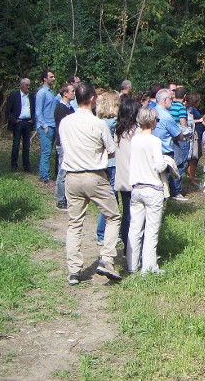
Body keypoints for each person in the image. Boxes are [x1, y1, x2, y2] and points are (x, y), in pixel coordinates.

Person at [60, 83, 123, 285]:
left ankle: (74, 270)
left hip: (71, 177)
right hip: (95, 175)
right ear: (93, 99)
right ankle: (106, 258)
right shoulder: (99, 124)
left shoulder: (65, 122)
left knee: (74, 223)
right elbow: (112, 150)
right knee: (113, 216)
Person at [127, 107, 171, 275]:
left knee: (135, 228)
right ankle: (149, 267)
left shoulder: (135, 140)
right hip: (153, 188)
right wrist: (167, 163)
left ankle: (132, 264)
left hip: (136, 188)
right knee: (151, 230)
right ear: (152, 122)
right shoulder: (154, 141)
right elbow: (159, 165)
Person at [113, 97, 142, 251]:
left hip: (122, 178)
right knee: (135, 216)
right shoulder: (136, 132)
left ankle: (126, 246)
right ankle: (134, 246)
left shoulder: (118, 131)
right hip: (135, 178)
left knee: (126, 214)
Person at [95, 91, 121, 244]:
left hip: (102, 162)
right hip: (113, 163)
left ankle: (103, 233)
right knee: (111, 198)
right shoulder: (114, 122)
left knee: (107, 197)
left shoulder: (99, 120)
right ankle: (103, 233)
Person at [152, 89, 186, 201]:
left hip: (151, 151)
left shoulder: (151, 111)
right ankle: (166, 199)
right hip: (165, 153)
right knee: (164, 182)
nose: (172, 101)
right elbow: (179, 135)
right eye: (171, 99)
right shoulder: (166, 117)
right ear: (165, 100)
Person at [5, 78, 35, 173]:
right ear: (21, 85)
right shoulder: (14, 95)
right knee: (16, 144)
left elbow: (34, 109)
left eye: (29, 85)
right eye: (26, 85)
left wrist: (33, 119)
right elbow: (7, 110)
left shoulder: (31, 96)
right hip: (18, 123)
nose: (28, 87)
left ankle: (26, 165)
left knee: (26, 146)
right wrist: (14, 120)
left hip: (27, 123)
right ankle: (14, 165)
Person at [54, 83, 75, 210]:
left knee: (67, 171)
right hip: (62, 144)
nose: (74, 93)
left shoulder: (70, 108)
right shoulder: (61, 108)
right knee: (62, 171)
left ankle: (66, 197)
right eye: (72, 91)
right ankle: (60, 199)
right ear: (65, 93)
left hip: (68, 143)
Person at [35, 70, 56, 183]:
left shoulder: (50, 92)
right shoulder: (41, 93)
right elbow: (38, 112)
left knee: (48, 151)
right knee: (46, 152)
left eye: (53, 77)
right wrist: (44, 126)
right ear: (45, 79)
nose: (53, 78)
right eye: (51, 77)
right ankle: (44, 176)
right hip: (46, 126)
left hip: (52, 125)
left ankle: (45, 174)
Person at [186, 93, 205, 186]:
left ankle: (192, 175)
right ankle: (191, 178)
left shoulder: (194, 109)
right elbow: (189, 121)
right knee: (194, 157)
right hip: (194, 135)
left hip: (199, 134)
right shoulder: (190, 109)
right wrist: (200, 120)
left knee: (197, 156)